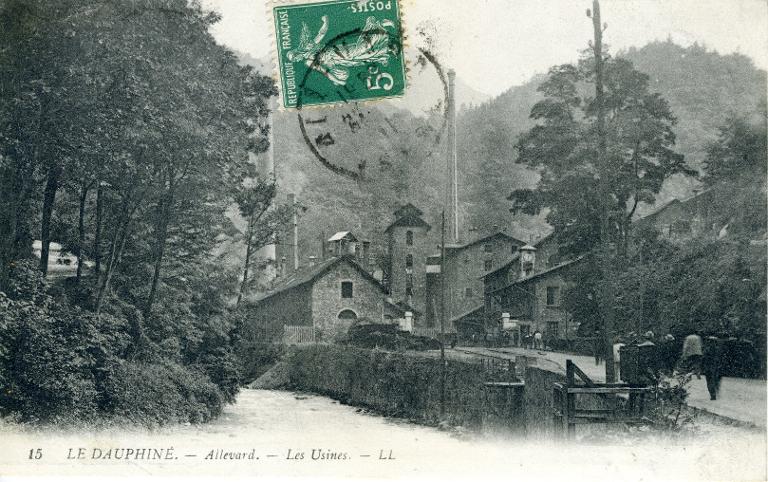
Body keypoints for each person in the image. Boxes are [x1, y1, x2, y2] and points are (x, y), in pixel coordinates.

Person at [702, 335, 724, 401]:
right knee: (715, 380)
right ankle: (715, 392)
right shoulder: (718, 350)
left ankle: (713, 394)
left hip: (709, 367)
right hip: (716, 367)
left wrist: (702, 366)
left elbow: (703, 358)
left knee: (709, 381)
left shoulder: (707, 349)